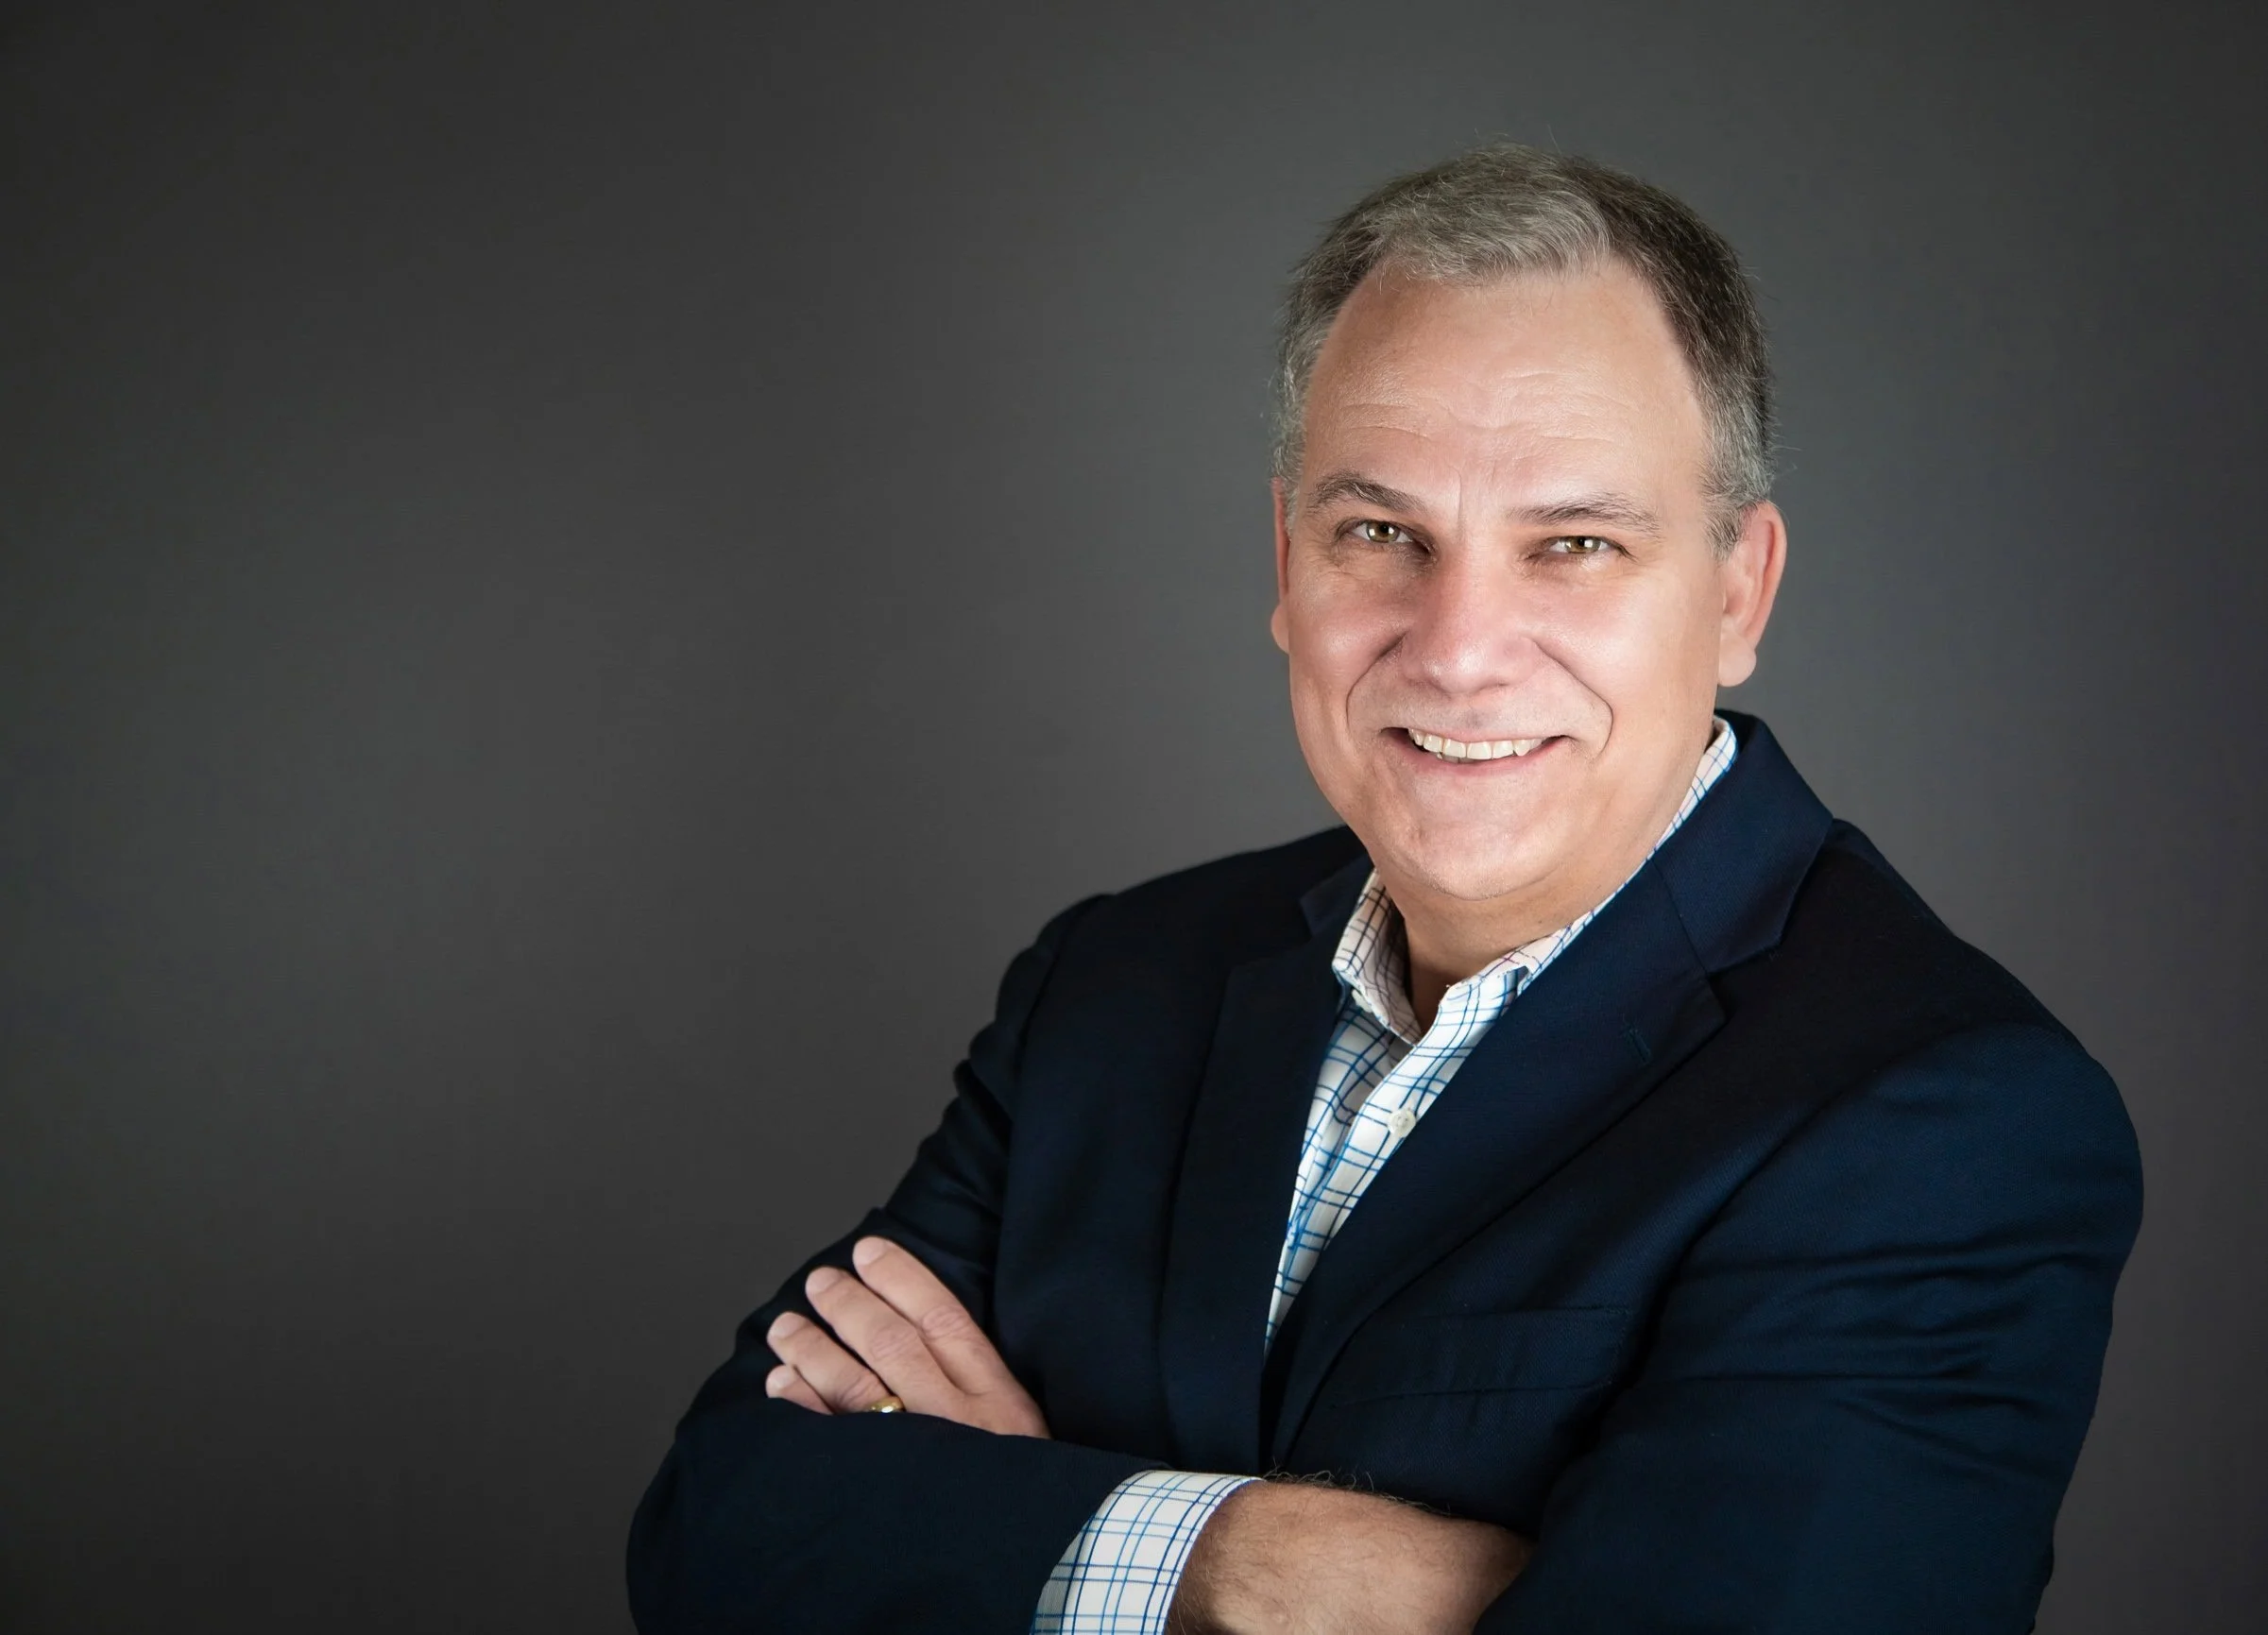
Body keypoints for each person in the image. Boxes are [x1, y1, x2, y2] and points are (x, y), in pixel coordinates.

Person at [625, 144, 2142, 1635]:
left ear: (1739, 588)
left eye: (1576, 544)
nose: (1461, 643)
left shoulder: (1945, 1116)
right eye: (1380, 534)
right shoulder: (1112, 983)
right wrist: (1252, 1565)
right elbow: (719, 1533)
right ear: (1286, 564)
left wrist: (1033, 1533)